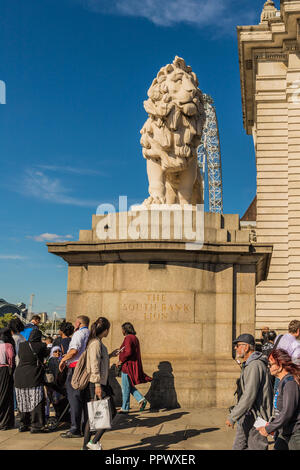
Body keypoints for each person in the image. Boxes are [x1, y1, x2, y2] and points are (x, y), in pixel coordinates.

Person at [225, 333, 273, 450]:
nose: (235, 348)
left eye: (238, 345)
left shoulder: (254, 366)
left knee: (256, 446)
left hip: (257, 417)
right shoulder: (249, 364)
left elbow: (249, 395)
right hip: (247, 415)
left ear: (246, 347)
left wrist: (233, 416)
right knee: (238, 446)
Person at [82, 317, 119, 450]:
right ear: (105, 330)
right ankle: (93, 442)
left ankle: (86, 446)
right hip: (98, 384)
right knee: (110, 412)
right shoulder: (96, 343)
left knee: (93, 416)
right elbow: (94, 365)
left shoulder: (96, 342)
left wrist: (111, 355)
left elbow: (99, 360)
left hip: (99, 383)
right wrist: (97, 384)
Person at [257, 348, 300, 450]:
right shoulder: (282, 382)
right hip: (284, 431)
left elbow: (287, 412)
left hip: (294, 433)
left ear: (280, 366)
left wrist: (269, 428)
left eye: (270, 364)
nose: (268, 367)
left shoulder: (290, 383)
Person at [59, 315, 90, 438]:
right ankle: (85, 427)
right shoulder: (90, 334)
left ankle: (75, 429)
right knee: (84, 400)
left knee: (74, 399)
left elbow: (74, 351)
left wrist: (63, 360)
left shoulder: (78, 334)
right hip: (86, 369)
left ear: (77, 323)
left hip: (75, 368)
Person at [14, 329, 49, 433]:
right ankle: (36, 426)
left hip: (20, 375)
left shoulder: (22, 345)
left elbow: (20, 357)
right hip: (33, 375)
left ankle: (24, 424)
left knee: (23, 400)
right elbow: (46, 354)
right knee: (36, 401)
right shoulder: (41, 345)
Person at [117, 322, 152, 413]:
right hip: (131, 366)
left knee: (125, 387)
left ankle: (125, 407)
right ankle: (141, 400)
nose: (121, 331)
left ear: (125, 330)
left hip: (127, 366)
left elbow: (128, 352)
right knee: (128, 386)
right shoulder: (134, 338)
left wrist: (121, 361)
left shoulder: (128, 338)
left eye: (122, 329)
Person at [0, 328, 15, 430]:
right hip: (5, 370)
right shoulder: (8, 345)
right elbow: (11, 359)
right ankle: (5, 422)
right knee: (6, 396)